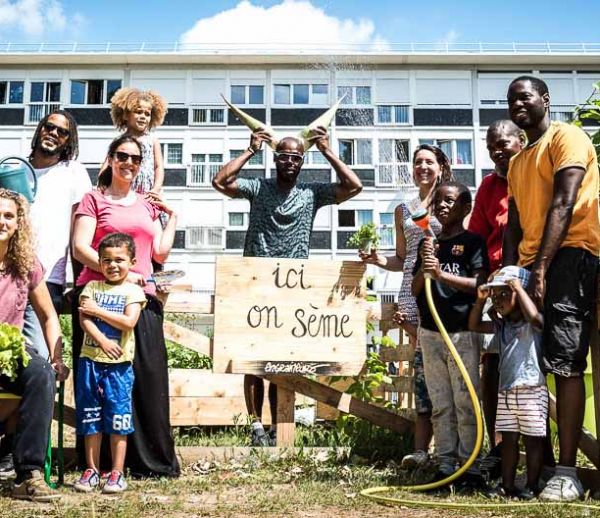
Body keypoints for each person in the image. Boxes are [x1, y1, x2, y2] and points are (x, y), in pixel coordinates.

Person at [213, 126, 362, 445]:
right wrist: (251, 150)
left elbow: (355, 186)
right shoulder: (258, 187)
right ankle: (255, 426)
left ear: (302, 161)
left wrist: (327, 150)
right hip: (256, 283)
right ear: (275, 159)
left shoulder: (312, 193)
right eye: (283, 156)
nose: (289, 161)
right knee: (251, 359)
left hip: (292, 288)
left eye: (296, 157)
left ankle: (276, 427)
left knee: (281, 359)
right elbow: (219, 182)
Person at [503, 75, 600, 501]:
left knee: (566, 362)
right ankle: (536, 470)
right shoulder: (518, 162)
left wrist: (541, 266)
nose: (517, 104)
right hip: (529, 266)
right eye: (510, 100)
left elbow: (565, 200)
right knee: (529, 371)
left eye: (524, 96)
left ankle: (568, 473)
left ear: (545, 99)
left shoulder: (568, 138)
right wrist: (508, 274)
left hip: (571, 256)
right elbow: (516, 224)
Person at [72, 135, 180, 478]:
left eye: (136, 158)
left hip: (141, 299)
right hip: (100, 298)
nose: (129, 163)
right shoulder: (93, 199)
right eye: (122, 156)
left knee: (147, 380)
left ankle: (148, 462)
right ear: (110, 158)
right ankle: (97, 466)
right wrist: (124, 274)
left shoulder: (148, 203)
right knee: (98, 385)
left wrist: (173, 217)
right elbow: (79, 248)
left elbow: (159, 254)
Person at [359, 144, 453, 469]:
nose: (423, 167)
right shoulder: (403, 209)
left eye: (429, 161)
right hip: (411, 295)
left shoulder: (450, 202)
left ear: (441, 167)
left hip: (443, 290)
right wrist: (377, 260)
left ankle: (450, 450)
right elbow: (402, 258)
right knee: (422, 373)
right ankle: (421, 451)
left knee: (451, 369)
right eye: (417, 162)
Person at [412, 181, 488, 480]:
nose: (442, 206)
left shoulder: (473, 243)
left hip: (460, 332)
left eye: (451, 201)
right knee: (440, 401)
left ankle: (471, 461)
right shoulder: (427, 243)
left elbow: (480, 285)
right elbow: (416, 288)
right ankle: (445, 460)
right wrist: (425, 267)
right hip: (430, 333)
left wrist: (442, 274)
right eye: (439, 201)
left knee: (465, 399)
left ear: (466, 208)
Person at [0, 188, 69, 501]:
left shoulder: (26, 264)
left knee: (41, 372)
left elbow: (48, 316)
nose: (2, 221)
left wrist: (56, 357)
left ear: (18, 223)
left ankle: (29, 473)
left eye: (8, 215)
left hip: (10, 350)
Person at [468, 120, 525, 472]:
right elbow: (477, 238)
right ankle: (497, 447)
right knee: (492, 364)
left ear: (521, 141)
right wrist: (480, 289)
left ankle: (540, 453)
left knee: (534, 368)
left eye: (503, 143)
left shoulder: (535, 174)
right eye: (491, 146)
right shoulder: (488, 186)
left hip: (531, 282)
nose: (497, 150)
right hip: (495, 284)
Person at [74, 233, 146, 494]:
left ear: (132, 261)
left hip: (120, 367)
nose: (113, 265)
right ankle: (91, 470)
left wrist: (98, 311)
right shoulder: (91, 288)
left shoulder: (133, 291)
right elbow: (84, 320)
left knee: (118, 418)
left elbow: (129, 322)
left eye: (119, 260)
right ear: (99, 262)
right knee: (90, 417)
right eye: (106, 260)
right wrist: (102, 340)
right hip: (90, 362)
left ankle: (117, 472)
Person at [469, 266, 547, 499]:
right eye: (496, 296)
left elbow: (535, 317)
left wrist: (518, 288)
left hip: (531, 389)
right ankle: (508, 485)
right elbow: (473, 325)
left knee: (533, 442)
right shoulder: (502, 326)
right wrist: (481, 301)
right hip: (507, 392)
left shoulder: (533, 324)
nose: (499, 300)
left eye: (505, 294)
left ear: (521, 293)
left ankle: (532, 485)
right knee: (509, 441)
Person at [20, 110, 92, 359]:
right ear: (40, 128)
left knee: (39, 357)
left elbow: (78, 232)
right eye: (50, 127)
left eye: (63, 132)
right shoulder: (15, 168)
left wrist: (80, 283)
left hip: (47, 278)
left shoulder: (73, 172)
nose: (54, 133)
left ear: (68, 141)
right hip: (6, 276)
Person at [104, 87, 167, 197]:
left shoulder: (152, 140)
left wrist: (156, 189)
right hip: (125, 192)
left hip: (148, 194)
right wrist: (102, 185)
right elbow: (107, 165)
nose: (143, 117)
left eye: (147, 114)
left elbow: (158, 167)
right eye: (138, 112)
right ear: (125, 115)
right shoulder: (119, 141)